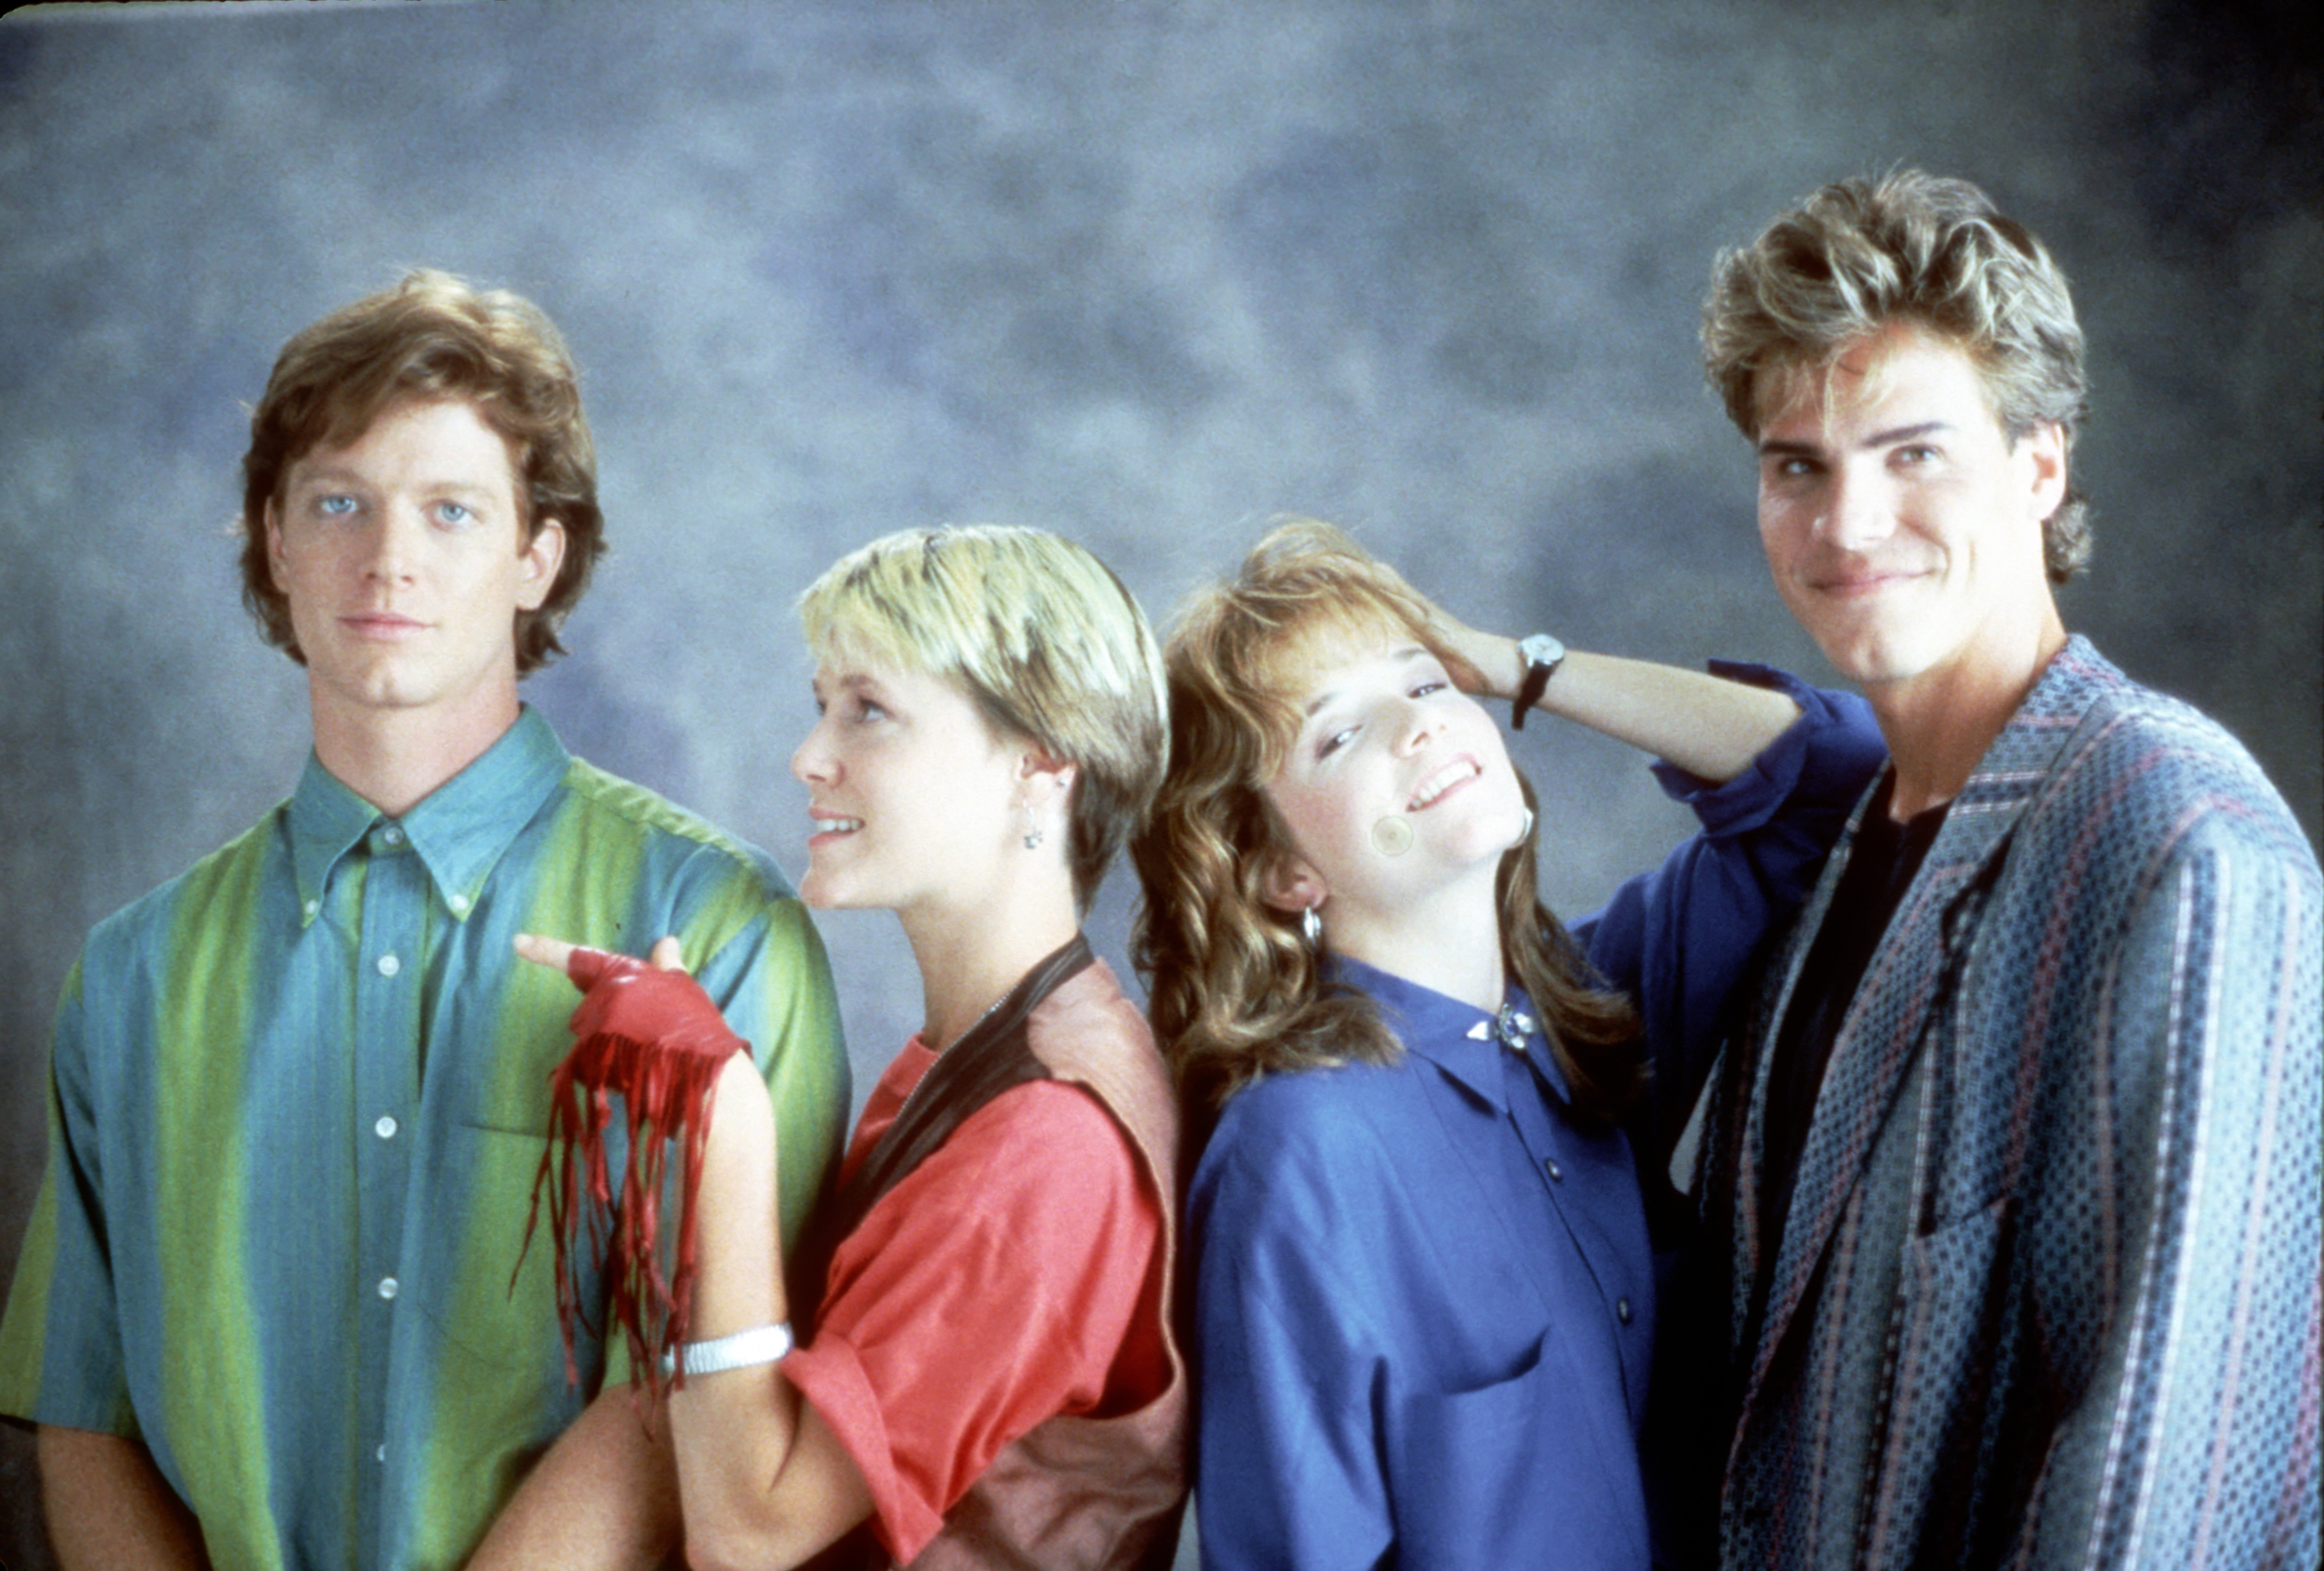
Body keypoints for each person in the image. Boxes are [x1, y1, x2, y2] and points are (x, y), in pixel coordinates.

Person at [0, 271, 848, 1571]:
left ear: (535, 555)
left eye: (450, 510)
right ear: (273, 541)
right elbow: (82, 1415)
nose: (386, 556)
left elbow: (691, 1401)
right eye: (337, 501)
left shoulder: (717, 931)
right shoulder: (132, 976)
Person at [1661, 169, 2323, 1568]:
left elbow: (2178, 1472)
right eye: (1798, 465)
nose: (1844, 526)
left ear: (2038, 466)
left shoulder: (2181, 843)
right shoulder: (1840, 853)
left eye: (1911, 454)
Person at [1129, 519, 1885, 1570]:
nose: (1416, 729)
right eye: (1337, 734)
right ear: (1276, 874)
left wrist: (1518, 667)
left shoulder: (1585, 1010)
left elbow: (1837, 773)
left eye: (1426, 687)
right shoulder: (1301, 1152)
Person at [469, 524, 1186, 1570]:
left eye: (870, 712)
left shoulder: (1046, 1146)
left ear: (1038, 770)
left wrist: (722, 1119)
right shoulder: (985, 1054)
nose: (810, 756)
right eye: (822, 707)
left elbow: (750, 1533)